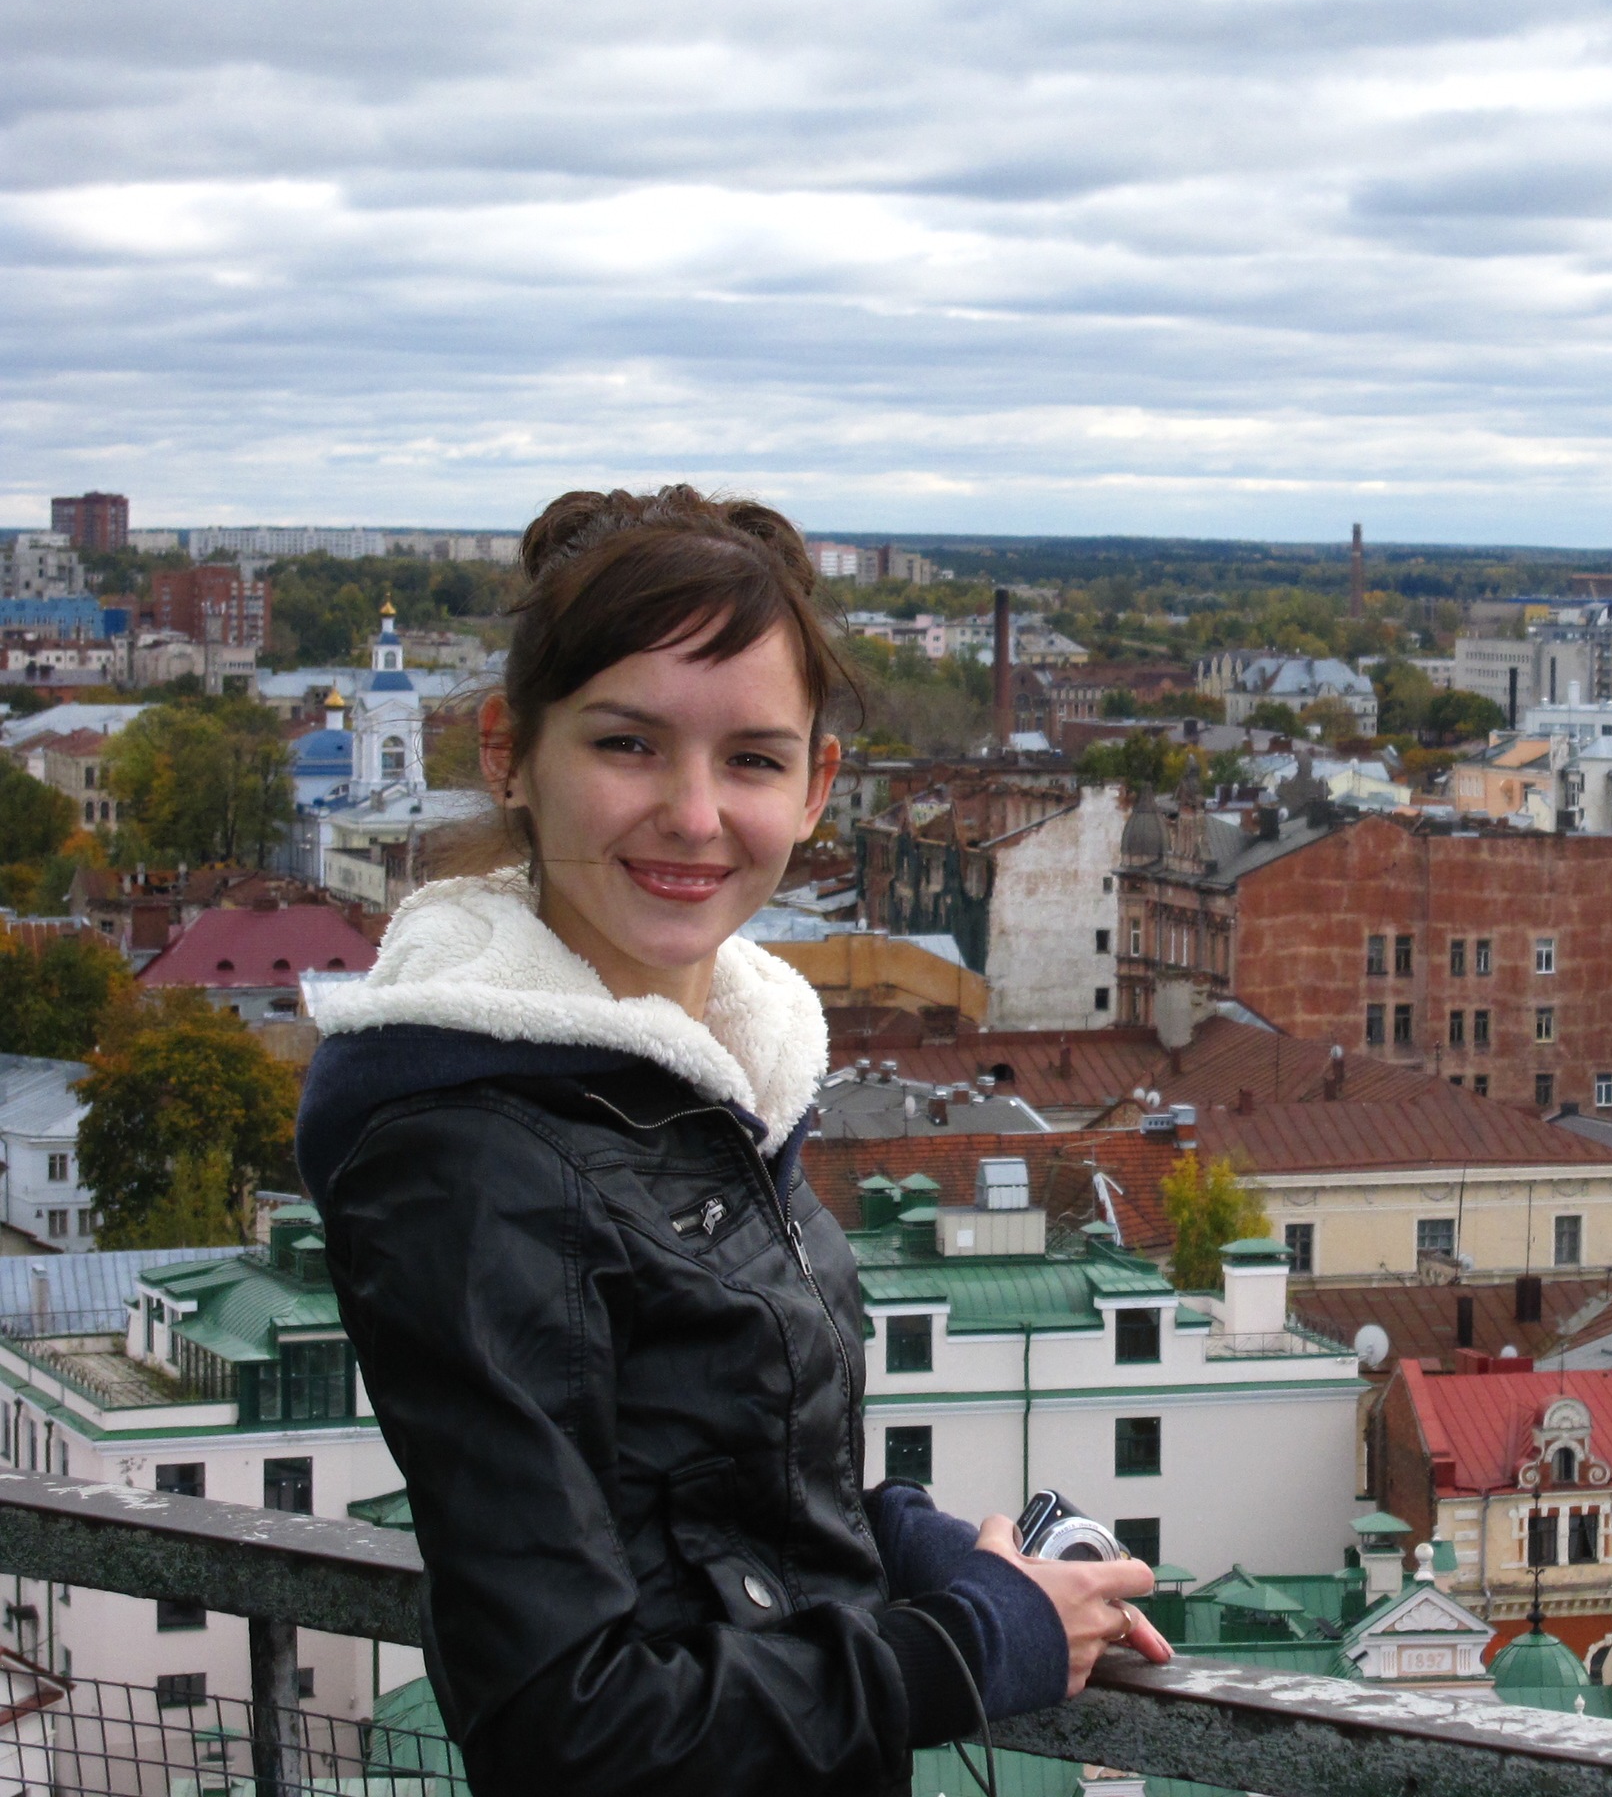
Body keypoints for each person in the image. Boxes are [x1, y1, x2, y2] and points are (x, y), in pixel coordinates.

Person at [295, 487, 1169, 1797]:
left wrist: (910, 1547)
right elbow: (569, 1728)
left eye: (753, 759)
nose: (695, 814)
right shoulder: (474, 1158)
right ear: (508, 753)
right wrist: (969, 1642)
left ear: (818, 787)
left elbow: (705, 1486)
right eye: (628, 745)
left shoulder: (713, 1081)